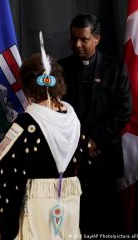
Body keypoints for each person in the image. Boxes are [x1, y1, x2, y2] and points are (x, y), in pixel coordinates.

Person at [0, 52, 90, 240]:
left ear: (28, 87)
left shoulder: (26, 123)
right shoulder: (72, 118)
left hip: (37, 203)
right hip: (69, 202)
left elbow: (3, 167)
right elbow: (85, 156)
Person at [58, 14, 132, 235]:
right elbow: (54, 109)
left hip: (104, 155)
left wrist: (94, 140)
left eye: (83, 39)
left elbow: (123, 111)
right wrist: (81, 142)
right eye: (73, 38)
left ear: (97, 38)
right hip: (71, 157)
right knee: (73, 219)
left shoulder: (115, 68)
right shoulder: (59, 68)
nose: (77, 44)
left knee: (106, 218)